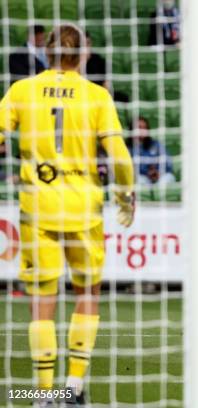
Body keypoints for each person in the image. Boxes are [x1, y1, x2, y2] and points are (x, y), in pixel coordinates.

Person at [0, 24, 135, 405]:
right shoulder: (96, 95)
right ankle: (73, 388)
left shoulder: (22, 90)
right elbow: (120, 157)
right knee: (87, 293)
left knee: (42, 299)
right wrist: (125, 194)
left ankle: (44, 394)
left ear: (47, 52)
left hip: (37, 208)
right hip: (84, 209)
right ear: (83, 55)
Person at [126, 117, 176, 186]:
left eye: (144, 128)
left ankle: (160, 196)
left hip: (159, 177)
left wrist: (158, 172)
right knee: (138, 180)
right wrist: (147, 172)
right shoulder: (127, 148)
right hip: (143, 179)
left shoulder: (156, 144)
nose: (142, 130)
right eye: (139, 127)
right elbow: (128, 169)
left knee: (169, 177)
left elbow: (168, 163)